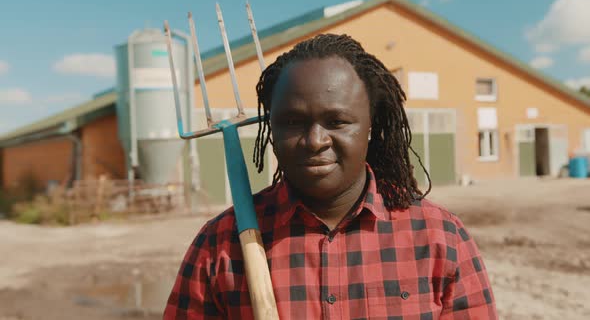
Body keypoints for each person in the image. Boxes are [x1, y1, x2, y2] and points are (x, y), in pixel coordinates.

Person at [164, 33, 497, 319]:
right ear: (271, 129)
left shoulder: (441, 238)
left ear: (370, 127)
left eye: (337, 121)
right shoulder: (219, 245)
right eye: (293, 122)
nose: (315, 141)